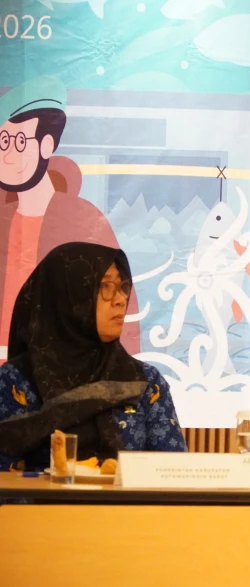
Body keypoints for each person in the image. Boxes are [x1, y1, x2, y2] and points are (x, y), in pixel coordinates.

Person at [0, 242, 186, 472]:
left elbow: (173, 473)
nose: (120, 299)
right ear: (68, 296)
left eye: (123, 287)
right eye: (105, 286)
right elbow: (5, 478)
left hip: (128, 497)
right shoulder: (15, 381)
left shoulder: (145, 381)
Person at [0, 76, 138, 363]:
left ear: (47, 144)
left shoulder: (83, 218)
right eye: (3, 142)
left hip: (67, 368)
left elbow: (119, 311)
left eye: (20, 142)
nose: (9, 156)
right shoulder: (4, 219)